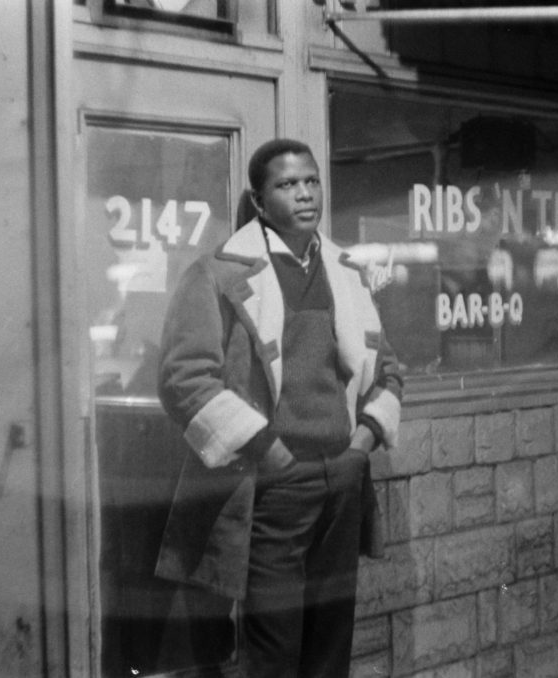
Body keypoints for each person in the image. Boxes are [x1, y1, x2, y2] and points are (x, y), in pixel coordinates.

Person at [155, 138, 402, 677]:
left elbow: (387, 369)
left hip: (341, 479)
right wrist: (268, 452)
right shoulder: (217, 273)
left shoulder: (346, 272)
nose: (305, 194)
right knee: (273, 647)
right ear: (260, 201)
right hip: (271, 486)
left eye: (311, 181)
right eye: (287, 185)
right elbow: (184, 380)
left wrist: (360, 446)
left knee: (330, 641)